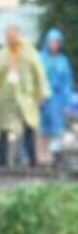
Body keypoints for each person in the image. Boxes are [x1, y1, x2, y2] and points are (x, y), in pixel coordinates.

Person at [0, 25, 48, 168]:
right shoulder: (0, 55)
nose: (10, 39)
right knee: (3, 128)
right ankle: (1, 161)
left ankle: (32, 160)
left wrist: (43, 93)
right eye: (8, 36)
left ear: (18, 35)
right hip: (6, 97)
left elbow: (40, 74)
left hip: (26, 97)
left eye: (12, 36)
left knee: (29, 127)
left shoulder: (30, 53)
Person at [40, 27, 73, 162]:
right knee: (43, 129)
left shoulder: (63, 61)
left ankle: (57, 158)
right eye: (52, 42)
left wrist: (67, 102)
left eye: (57, 42)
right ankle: (42, 158)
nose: (54, 45)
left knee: (58, 129)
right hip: (43, 98)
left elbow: (67, 82)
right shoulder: (41, 58)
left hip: (58, 99)